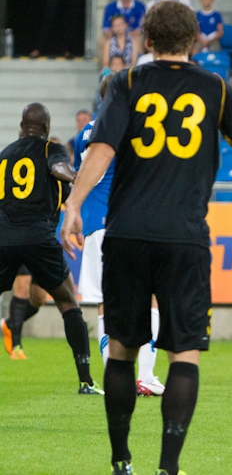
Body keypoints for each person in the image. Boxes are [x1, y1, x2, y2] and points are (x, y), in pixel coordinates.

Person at [60, 0, 232, 475]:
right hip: (185, 238)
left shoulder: (126, 82)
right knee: (185, 353)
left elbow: (102, 147)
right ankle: (168, 467)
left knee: (121, 349)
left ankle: (120, 460)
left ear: (147, 41)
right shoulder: (214, 88)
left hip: (127, 235)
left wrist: (73, 203)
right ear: (195, 40)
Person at [0, 103, 100, 392]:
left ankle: (12, 333)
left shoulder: (5, 155)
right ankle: (85, 380)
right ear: (46, 127)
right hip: (37, 237)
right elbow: (58, 169)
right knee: (68, 301)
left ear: (22, 125)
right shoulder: (49, 149)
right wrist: (80, 178)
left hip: (4, 237)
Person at [74, 77, 164, 396]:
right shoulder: (127, 128)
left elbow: (81, 176)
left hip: (93, 224)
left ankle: (117, 380)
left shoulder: (84, 134)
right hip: (126, 222)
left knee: (103, 303)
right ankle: (146, 375)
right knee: (150, 294)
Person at [1, 268, 48, 359]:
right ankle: (16, 347)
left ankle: (10, 324)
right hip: (21, 256)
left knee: (39, 299)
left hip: (38, 256)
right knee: (21, 294)